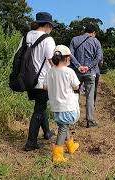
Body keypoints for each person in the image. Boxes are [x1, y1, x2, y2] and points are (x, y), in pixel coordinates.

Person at [19, 12, 56, 151]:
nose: (51, 29)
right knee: (39, 110)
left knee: (41, 106)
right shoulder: (48, 39)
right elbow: (53, 60)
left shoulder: (26, 36)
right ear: (47, 25)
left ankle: (46, 133)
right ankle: (31, 142)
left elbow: (19, 55)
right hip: (42, 81)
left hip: (28, 79)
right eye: (51, 26)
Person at [44, 45, 80, 163]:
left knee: (63, 126)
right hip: (67, 106)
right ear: (64, 58)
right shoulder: (69, 72)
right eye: (68, 57)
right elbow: (76, 86)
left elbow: (45, 87)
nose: (69, 59)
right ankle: (58, 155)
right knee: (63, 128)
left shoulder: (50, 72)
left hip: (55, 106)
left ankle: (70, 146)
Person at [69, 24, 103, 128]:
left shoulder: (74, 40)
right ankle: (90, 121)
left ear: (85, 30)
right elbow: (98, 57)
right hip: (90, 73)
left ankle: (72, 121)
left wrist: (79, 66)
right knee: (89, 97)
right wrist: (88, 67)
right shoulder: (96, 41)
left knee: (74, 97)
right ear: (94, 33)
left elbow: (70, 55)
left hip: (76, 73)